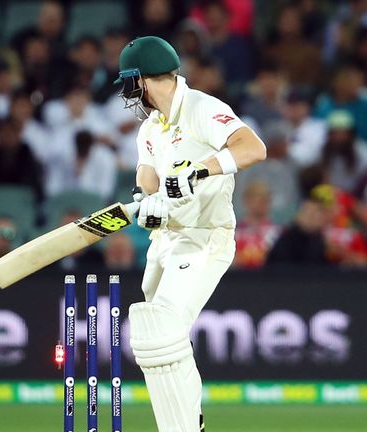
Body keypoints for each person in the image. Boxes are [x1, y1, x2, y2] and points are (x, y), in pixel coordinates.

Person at [114, 36, 266, 431]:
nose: (129, 93)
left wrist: (200, 170)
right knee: (152, 335)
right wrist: (146, 206)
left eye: (129, 83)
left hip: (205, 237)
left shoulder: (201, 108)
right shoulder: (150, 128)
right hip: (166, 241)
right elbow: (146, 181)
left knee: (162, 327)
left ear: (140, 80)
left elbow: (253, 148)